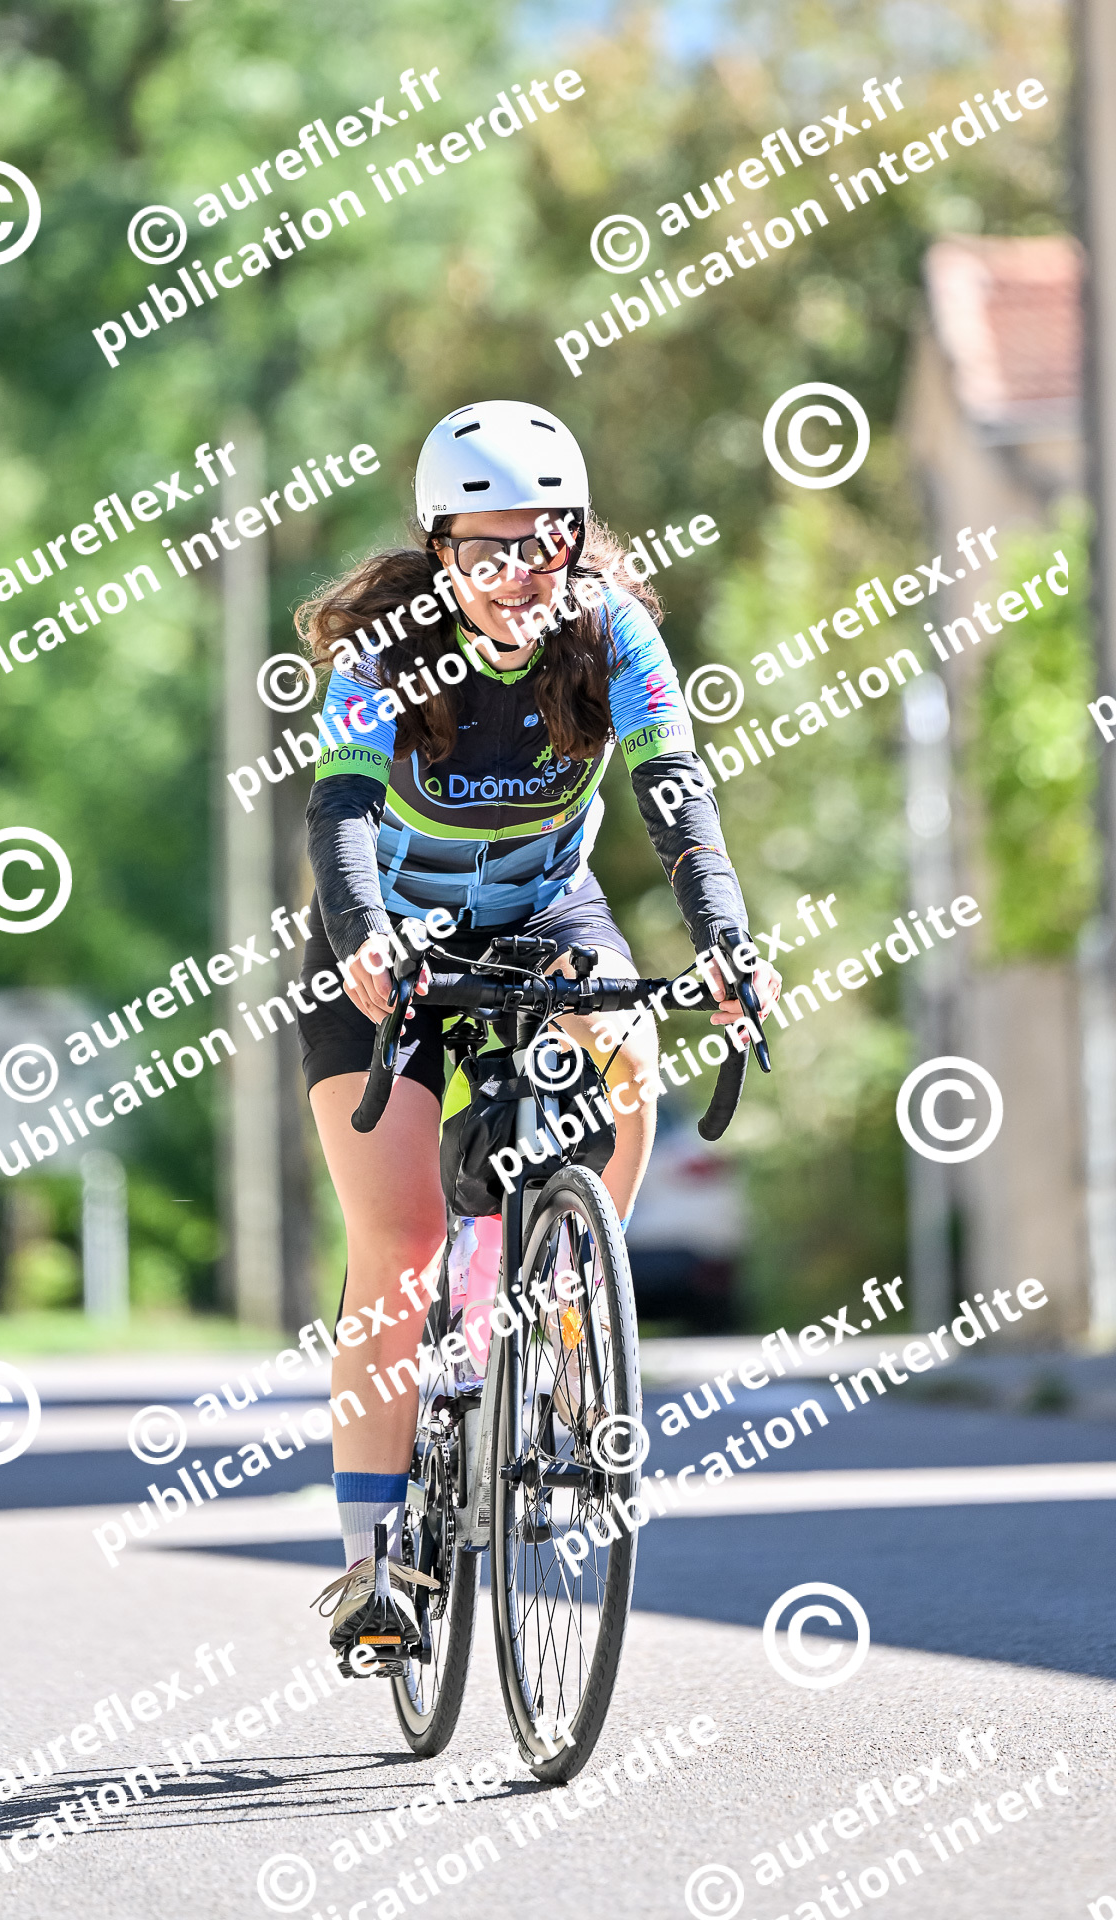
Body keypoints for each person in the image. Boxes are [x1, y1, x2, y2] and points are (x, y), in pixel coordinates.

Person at [295, 400, 780, 1660]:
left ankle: (567, 1303)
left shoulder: (608, 627)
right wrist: (362, 938)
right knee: (399, 1240)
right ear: (438, 549)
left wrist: (724, 940)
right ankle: (370, 1566)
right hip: (386, 930)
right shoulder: (386, 650)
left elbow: (673, 789)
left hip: (542, 912)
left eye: (544, 538)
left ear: (574, 534)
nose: (520, 570)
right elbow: (340, 813)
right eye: (486, 547)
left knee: (630, 1054)